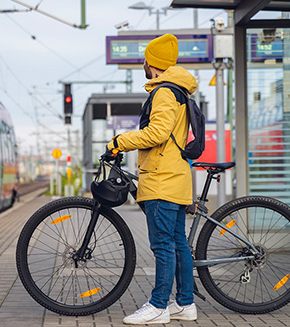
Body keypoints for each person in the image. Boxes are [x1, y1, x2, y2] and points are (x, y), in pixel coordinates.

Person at [105, 33, 198, 325]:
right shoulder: (177, 90)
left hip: (162, 178)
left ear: (152, 63)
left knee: (163, 246)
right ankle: (185, 304)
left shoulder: (163, 92)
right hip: (174, 175)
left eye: (145, 59)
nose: (143, 64)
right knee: (177, 242)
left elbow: (157, 133)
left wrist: (119, 141)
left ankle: (158, 306)